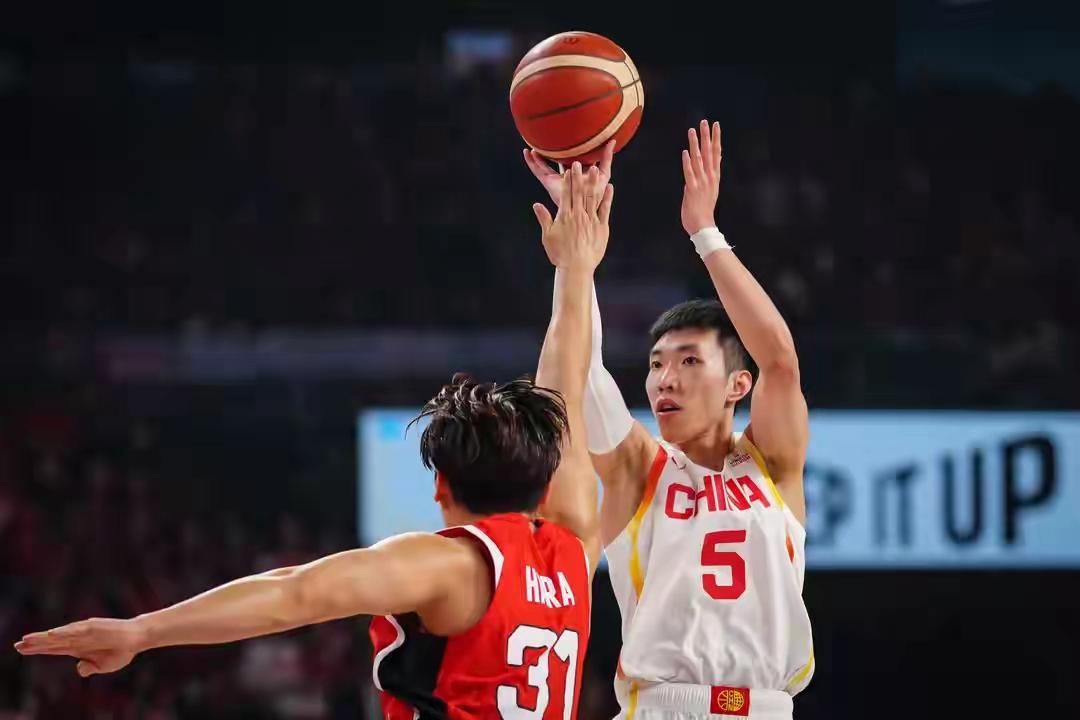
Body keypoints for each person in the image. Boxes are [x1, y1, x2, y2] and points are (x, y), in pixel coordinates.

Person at [15, 164, 614, 720]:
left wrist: (142, 632)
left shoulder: (449, 566)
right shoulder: (574, 549)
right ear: (544, 480)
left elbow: (293, 593)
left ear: (440, 484)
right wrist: (577, 266)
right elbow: (564, 380)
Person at [525, 123, 813, 720]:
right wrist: (577, 259)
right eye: (656, 365)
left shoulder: (772, 467)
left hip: (768, 707)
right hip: (664, 707)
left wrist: (705, 232)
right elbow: (578, 372)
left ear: (738, 384)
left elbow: (780, 361)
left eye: (688, 361)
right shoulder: (638, 467)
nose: (665, 380)